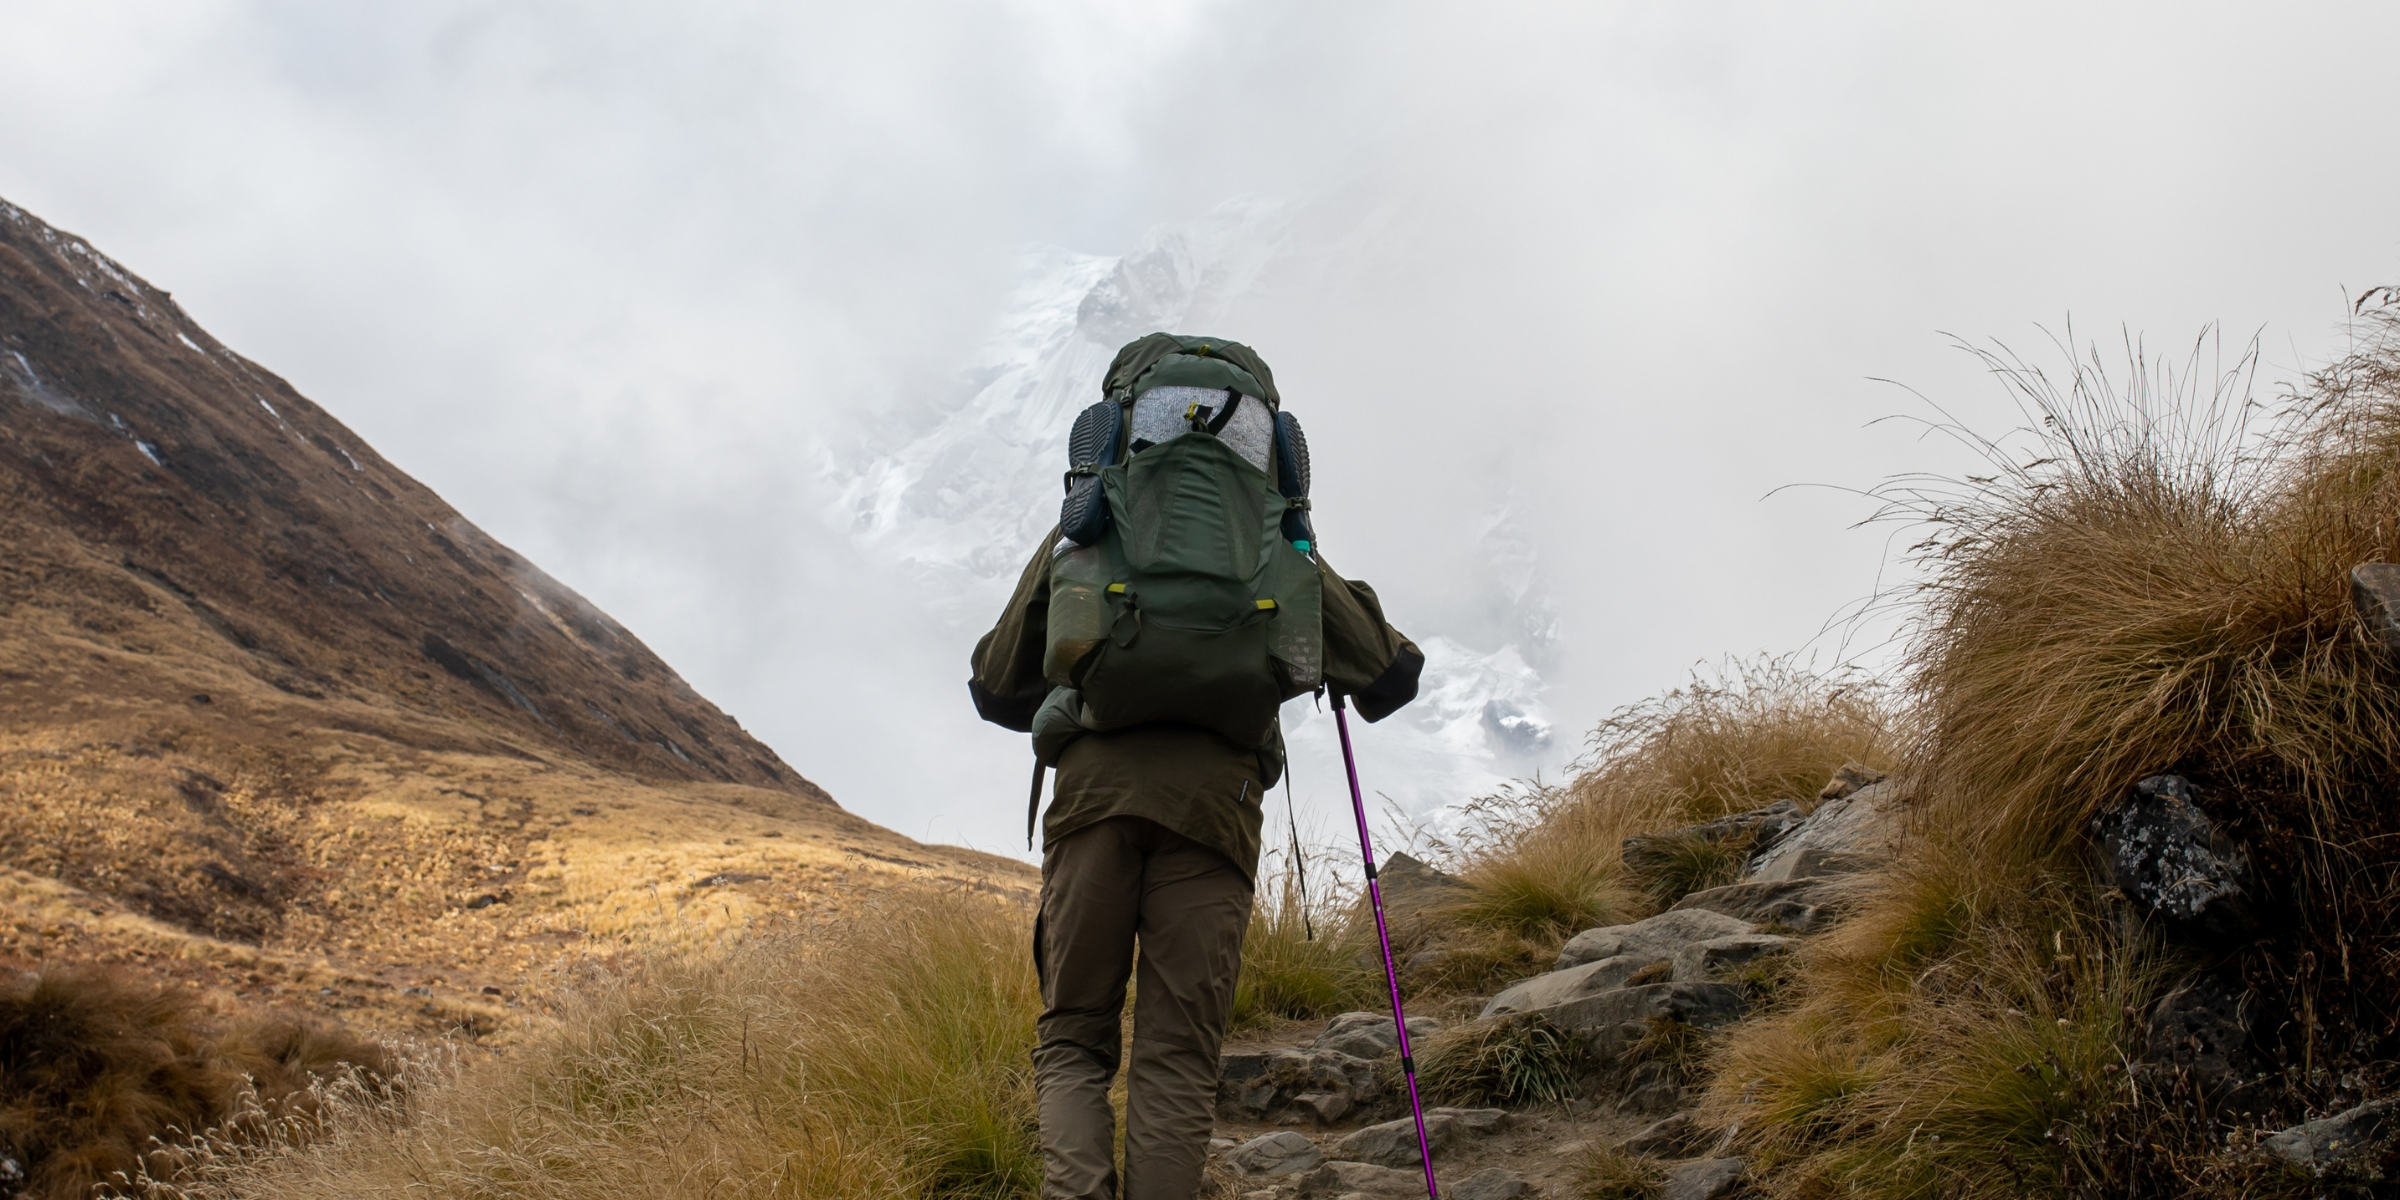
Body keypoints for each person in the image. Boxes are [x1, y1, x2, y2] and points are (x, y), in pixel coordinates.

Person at [970, 333, 1423, 1200]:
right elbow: (1391, 677)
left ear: (1121, 426)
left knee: (1074, 1041)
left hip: (1093, 807)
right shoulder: (1275, 542)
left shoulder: (1088, 530)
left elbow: (994, 686)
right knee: (1177, 1057)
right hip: (1215, 815)